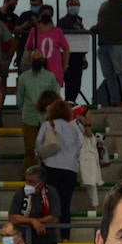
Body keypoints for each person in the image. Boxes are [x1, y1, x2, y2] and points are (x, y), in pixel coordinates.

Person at [37, 99, 82, 234]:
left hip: (51, 168)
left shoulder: (47, 125)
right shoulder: (74, 128)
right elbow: (79, 149)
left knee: (49, 204)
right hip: (70, 170)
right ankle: (65, 237)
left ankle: (50, 235)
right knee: (65, 204)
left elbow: (39, 146)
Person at [9, 165, 61, 244]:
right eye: (26, 181)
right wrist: (32, 221)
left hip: (47, 241)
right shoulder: (20, 192)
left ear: (41, 183)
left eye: (31, 181)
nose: (27, 184)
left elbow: (54, 218)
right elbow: (13, 218)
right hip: (22, 240)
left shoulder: (51, 192)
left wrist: (37, 221)